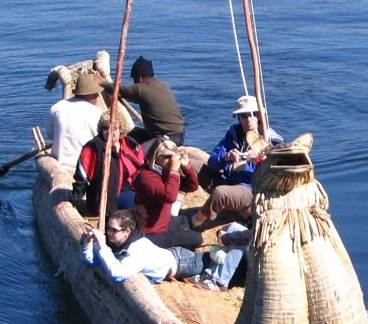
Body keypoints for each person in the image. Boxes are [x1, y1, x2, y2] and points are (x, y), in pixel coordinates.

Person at [190, 95, 283, 228]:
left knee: (220, 193)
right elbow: (212, 161)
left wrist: (261, 160)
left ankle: (195, 222)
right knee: (190, 164)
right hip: (229, 180)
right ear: (238, 118)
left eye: (253, 114)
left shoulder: (271, 139)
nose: (249, 119)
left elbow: (280, 169)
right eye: (244, 115)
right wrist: (226, 156)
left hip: (250, 190)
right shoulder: (233, 135)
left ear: (259, 116)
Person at [81, 209, 218, 285]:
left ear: (127, 231)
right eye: (108, 228)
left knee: (216, 262)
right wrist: (86, 243)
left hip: (181, 261)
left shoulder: (137, 250)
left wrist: (103, 247)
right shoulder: (116, 242)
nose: (109, 233)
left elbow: (117, 275)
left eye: (113, 230)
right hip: (168, 254)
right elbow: (90, 262)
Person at [94, 56, 185, 149]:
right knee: (130, 135)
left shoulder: (141, 89)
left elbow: (119, 89)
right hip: (179, 134)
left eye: (134, 79)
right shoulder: (163, 85)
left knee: (140, 153)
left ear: (140, 78)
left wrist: (102, 83)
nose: (134, 83)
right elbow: (134, 97)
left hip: (168, 138)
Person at [133, 137, 203, 248]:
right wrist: (174, 171)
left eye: (174, 156)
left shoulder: (163, 172)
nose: (172, 160)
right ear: (155, 157)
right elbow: (170, 196)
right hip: (150, 234)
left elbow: (192, 186)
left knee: (183, 220)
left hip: (163, 224)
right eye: (167, 157)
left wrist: (186, 166)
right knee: (197, 239)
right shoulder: (147, 177)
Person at [71, 112, 145, 214]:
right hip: (107, 197)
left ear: (121, 129)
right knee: (142, 205)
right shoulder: (94, 147)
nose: (109, 132)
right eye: (105, 128)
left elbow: (143, 168)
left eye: (114, 128)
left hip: (132, 189)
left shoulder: (130, 144)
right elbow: (82, 178)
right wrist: (74, 199)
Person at [48, 72, 103, 170]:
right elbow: (98, 138)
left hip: (59, 163)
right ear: (88, 94)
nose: (98, 96)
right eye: (95, 93)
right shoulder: (95, 112)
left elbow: (50, 134)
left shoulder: (57, 106)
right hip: (83, 164)